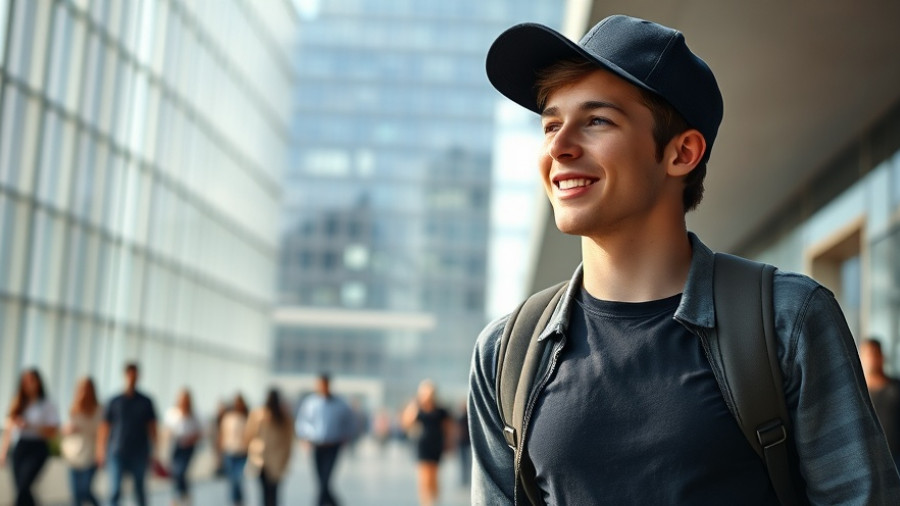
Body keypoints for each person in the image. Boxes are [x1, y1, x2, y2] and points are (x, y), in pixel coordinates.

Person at [469, 14, 900, 504]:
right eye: (550, 123)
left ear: (682, 153)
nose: (559, 147)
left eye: (596, 121)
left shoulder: (788, 321)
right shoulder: (507, 354)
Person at [97, 362, 158, 506]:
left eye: (134, 375)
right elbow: (104, 427)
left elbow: (152, 427)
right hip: (117, 450)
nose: (132, 378)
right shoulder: (114, 401)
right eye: (129, 374)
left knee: (139, 489)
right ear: (125, 375)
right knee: (115, 489)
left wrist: (155, 451)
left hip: (139, 451)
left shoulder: (146, 401)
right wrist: (100, 450)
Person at [0, 368, 60, 506]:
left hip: (38, 447)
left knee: (24, 485)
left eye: (31, 380)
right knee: (21, 489)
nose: (29, 384)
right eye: (25, 381)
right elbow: (9, 429)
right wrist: (3, 452)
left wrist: (31, 426)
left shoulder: (47, 405)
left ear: (38, 382)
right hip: (20, 447)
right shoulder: (18, 403)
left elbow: (53, 432)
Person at [295, 373, 356, 506]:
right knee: (321, 481)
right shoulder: (310, 402)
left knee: (326, 479)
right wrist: (304, 437)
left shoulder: (340, 403)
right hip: (317, 445)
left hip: (333, 445)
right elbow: (302, 422)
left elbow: (350, 422)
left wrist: (346, 436)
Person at [401, 380, 453, 506]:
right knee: (424, 476)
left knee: (434, 475)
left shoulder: (441, 410)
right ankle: (425, 502)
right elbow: (406, 424)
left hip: (436, 445)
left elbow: (448, 428)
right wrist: (414, 406)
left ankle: (434, 500)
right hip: (422, 445)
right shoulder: (416, 408)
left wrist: (449, 444)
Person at [245, 388, 293, 506]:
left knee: (268, 493)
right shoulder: (260, 415)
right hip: (265, 460)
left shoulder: (283, 418)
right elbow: (249, 435)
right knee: (270, 493)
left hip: (268, 460)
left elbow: (248, 435)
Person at [61, 377, 103, 506]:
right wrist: (70, 429)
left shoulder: (99, 409)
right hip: (73, 453)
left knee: (85, 490)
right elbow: (64, 429)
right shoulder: (73, 408)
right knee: (76, 494)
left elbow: (101, 431)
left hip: (90, 454)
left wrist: (100, 452)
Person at [860, 338, 900, 469]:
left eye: (874, 353)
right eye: (867, 354)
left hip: (895, 457)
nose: (871, 358)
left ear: (882, 356)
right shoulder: (858, 391)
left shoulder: (895, 388)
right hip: (868, 458)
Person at [164, 388, 203, 505]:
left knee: (181, 471)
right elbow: (168, 430)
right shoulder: (172, 413)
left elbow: (200, 432)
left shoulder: (194, 415)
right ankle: (181, 494)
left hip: (188, 447)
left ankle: (179, 496)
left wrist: (191, 439)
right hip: (176, 445)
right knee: (175, 472)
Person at [218, 393, 250, 506]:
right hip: (229, 452)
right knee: (231, 481)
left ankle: (239, 501)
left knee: (238, 479)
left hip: (242, 452)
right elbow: (222, 434)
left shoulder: (246, 418)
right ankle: (235, 501)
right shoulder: (228, 418)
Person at [456, 402, 471, 487]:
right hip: (462, 442)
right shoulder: (461, 417)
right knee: (463, 462)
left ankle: (466, 479)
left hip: (466, 442)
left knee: (466, 462)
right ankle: (464, 479)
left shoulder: (466, 417)